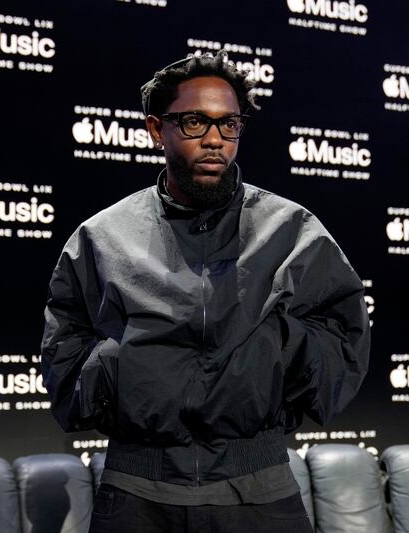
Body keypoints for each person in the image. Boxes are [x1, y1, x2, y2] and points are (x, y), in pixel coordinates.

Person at [40, 51, 370, 533]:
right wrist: (121, 366)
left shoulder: (293, 231)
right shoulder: (101, 237)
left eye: (229, 124)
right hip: (138, 491)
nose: (214, 139)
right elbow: (64, 354)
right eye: (195, 122)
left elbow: (343, 342)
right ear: (157, 129)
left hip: (260, 487)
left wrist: (272, 353)